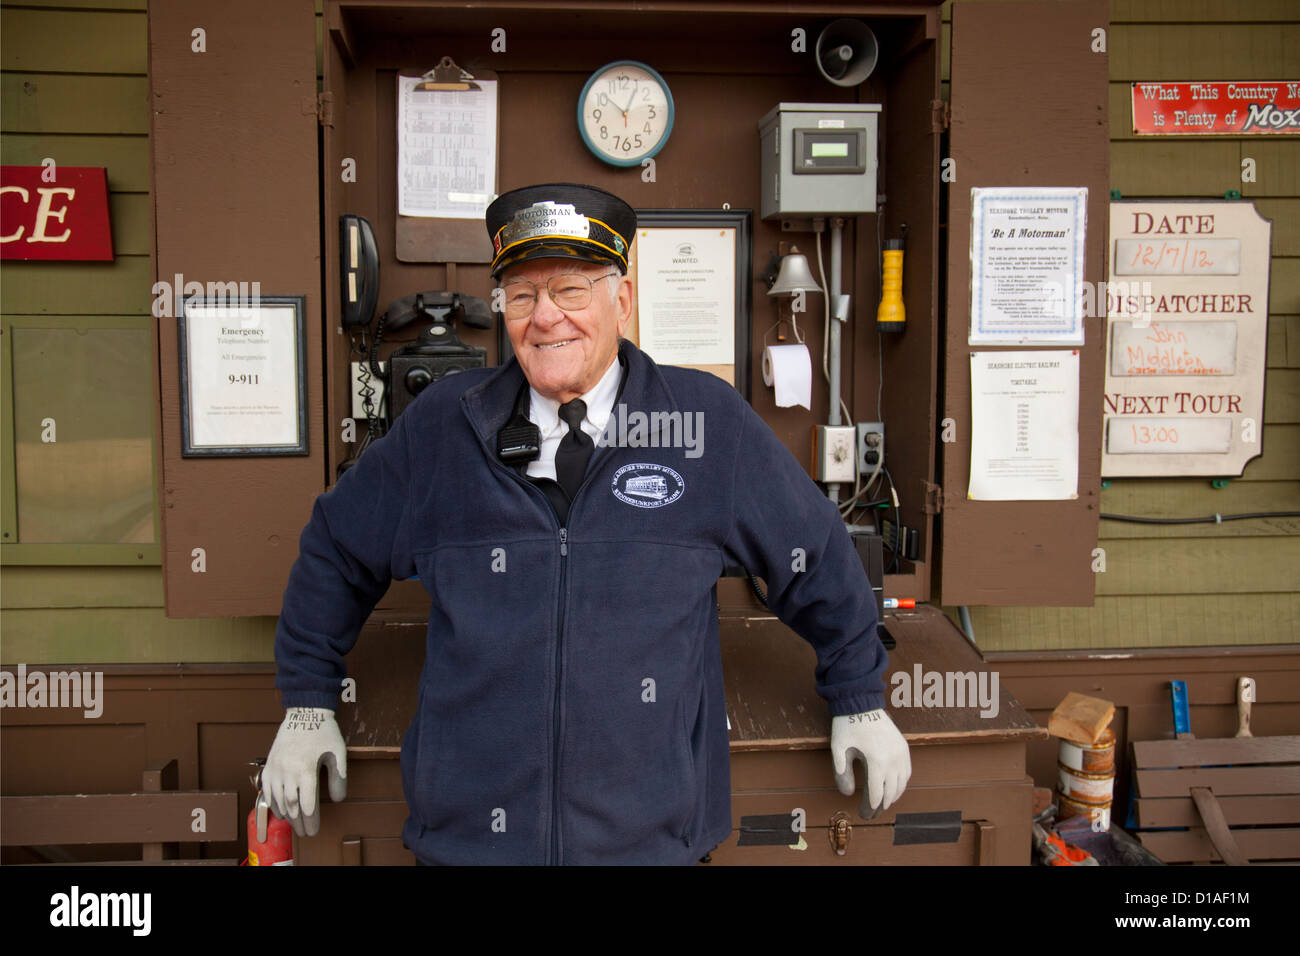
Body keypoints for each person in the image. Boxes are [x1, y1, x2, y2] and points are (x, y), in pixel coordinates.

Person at [263, 183, 910, 865]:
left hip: (651, 844)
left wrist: (859, 695)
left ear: (621, 301)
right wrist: (307, 702)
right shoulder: (443, 428)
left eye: (571, 290)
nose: (545, 318)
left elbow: (815, 552)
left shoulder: (703, 424)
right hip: (470, 844)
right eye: (521, 295)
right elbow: (337, 547)